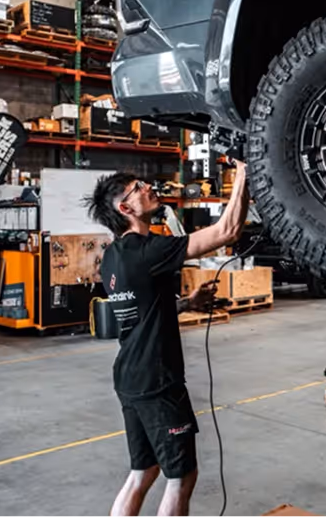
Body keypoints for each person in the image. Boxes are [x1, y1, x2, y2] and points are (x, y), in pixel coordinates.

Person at [85, 161, 250, 517]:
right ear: (125, 209)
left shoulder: (114, 256)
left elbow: (142, 308)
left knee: (142, 471)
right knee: (182, 477)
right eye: (137, 188)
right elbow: (227, 231)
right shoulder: (150, 251)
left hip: (129, 377)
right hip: (158, 380)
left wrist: (188, 303)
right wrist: (244, 172)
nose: (148, 187)